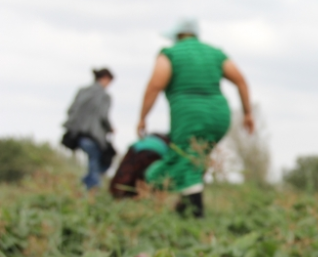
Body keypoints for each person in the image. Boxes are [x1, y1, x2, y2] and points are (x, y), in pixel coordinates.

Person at [137, 18, 254, 218]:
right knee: (194, 160)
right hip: (219, 116)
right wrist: (248, 113)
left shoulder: (170, 54)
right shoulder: (215, 53)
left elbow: (155, 84)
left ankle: (195, 214)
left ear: (177, 35)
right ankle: (183, 208)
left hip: (189, 116)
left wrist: (143, 117)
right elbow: (241, 81)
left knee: (185, 159)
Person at [64, 68, 115, 190]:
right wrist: (110, 128)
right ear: (105, 78)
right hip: (93, 136)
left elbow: (70, 110)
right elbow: (103, 116)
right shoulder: (104, 96)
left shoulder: (82, 91)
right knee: (98, 160)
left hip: (77, 135)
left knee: (94, 160)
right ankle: (91, 187)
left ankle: (85, 183)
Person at [109, 133, 170, 198]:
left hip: (139, 150)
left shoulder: (150, 139)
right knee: (144, 179)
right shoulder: (167, 143)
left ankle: (121, 195)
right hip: (154, 154)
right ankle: (134, 195)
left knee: (125, 176)